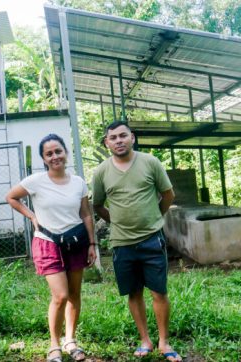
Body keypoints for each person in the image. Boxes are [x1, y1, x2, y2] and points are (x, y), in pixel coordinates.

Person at [92, 121, 182, 362]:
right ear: (107, 143)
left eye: (123, 136)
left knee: (159, 292)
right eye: (113, 137)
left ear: (132, 138)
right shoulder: (101, 171)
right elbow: (97, 205)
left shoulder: (150, 162)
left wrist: (154, 217)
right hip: (122, 243)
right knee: (134, 293)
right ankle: (145, 340)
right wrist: (117, 222)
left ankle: (164, 342)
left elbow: (168, 195)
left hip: (152, 239)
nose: (119, 140)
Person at [6, 133, 96, 362]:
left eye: (58, 151)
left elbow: (86, 214)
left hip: (76, 242)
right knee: (61, 295)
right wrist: (32, 217)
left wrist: (92, 243)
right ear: (44, 159)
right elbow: (12, 197)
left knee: (75, 294)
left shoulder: (78, 182)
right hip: (47, 243)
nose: (55, 156)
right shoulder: (35, 181)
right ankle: (54, 345)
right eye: (49, 154)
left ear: (65, 153)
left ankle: (71, 340)